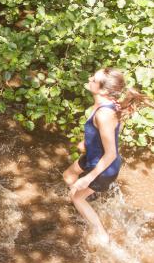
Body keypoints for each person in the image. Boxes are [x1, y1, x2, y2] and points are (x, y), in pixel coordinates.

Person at [63, 68, 152, 244]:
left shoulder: (104, 114)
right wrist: (86, 142)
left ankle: (102, 235)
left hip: (103, 166)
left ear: (103, 90)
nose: (89, 78)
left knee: (76, 197)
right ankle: (88, 195)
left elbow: (111, 153)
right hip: (92, 156)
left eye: (94, 79)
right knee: (68, 175)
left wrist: (88, 178)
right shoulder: (111, 103)